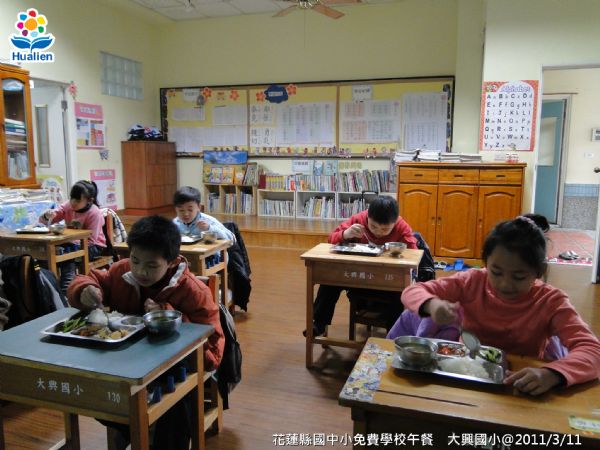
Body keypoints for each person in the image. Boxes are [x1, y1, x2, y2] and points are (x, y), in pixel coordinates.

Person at [67, 215, 224, 450]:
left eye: (152, 266)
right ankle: (134, 430)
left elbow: (213, 351)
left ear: (171, 262)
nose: (140, 271)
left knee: (174, 402)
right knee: (96, 390)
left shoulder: (193, 291)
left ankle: (148, 435)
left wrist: (168, 316)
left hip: (173, 369)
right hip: (128, 364)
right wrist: (85, 290)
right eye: (135, 260)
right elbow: (87, 278)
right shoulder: (121, 272)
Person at [401, 215, 600, 395]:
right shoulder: (472, 281)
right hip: (468, 372)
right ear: (485, 263)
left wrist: (552, 374)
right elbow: (412, 291)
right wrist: (432, 304)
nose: (505, 284)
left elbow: (592, 350)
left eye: (519, 277)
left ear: (540, 271)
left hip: (521, 384)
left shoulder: (550, 302)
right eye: (496, 272)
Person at [305, 196, 418, 337]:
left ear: (394, 223)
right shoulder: (358, 220)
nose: (378, 232)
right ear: (367, 217)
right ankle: (318, 324)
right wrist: (345, 234)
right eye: (373, 226)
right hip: (357, 279)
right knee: (329, 281)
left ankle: (394, 336)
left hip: (387, 283)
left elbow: (415, 254)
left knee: (401, 294)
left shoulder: (401, 227)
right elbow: (331, 239)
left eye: (385, 229)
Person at [40, 180, 106, 295]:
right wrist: (47, 215)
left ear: (89, 200)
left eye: (78, 200)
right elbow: (46, 220)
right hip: (71, 243)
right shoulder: (68, 206)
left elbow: (91, 240)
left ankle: (66, 291)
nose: (73, 203)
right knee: (47, 255)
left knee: (68, 256)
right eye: (71, 198)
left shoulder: (94, 213)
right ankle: (49, 290)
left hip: (94, 247)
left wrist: (69, 242)